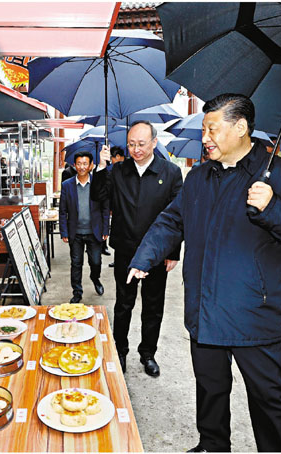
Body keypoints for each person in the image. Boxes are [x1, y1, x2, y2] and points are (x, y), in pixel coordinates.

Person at [127, 94, 281, 452]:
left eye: (212, 129)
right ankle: (212, 443)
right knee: (210, 388)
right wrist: (145, 257)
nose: (205, 138)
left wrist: (273, 207)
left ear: (241, 127)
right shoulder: (199, 177)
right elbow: (172, 221)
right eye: (203, 130)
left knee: (268, 399)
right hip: (205, 307)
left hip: (254, 313)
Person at [91, 121, 183, 376]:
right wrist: (101, 167)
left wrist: (173, 252)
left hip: (157, 253)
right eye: (131, 144)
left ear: (154, 142)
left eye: (141, 144)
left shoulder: (171, 172)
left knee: (153, 307)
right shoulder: (118, 171)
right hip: (126, 250)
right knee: (123, 304)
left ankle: (148, 353)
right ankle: (120, 350)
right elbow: (98, 196)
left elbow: (178, 215)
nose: (136, 149)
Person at [59, 151, 109, 304]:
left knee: (96, 262)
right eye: (79, 164)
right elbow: (63, 210)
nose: (82, 167)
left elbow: (105, 208)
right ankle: (77, 292)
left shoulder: (97, 183)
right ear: (74, 165)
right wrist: (64, 231)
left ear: (91, 165)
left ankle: (95, 278)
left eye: (85, 164)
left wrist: (105, 229)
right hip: (75, 232)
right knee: (76, 263)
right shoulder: (67, 185)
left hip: (94, 231)